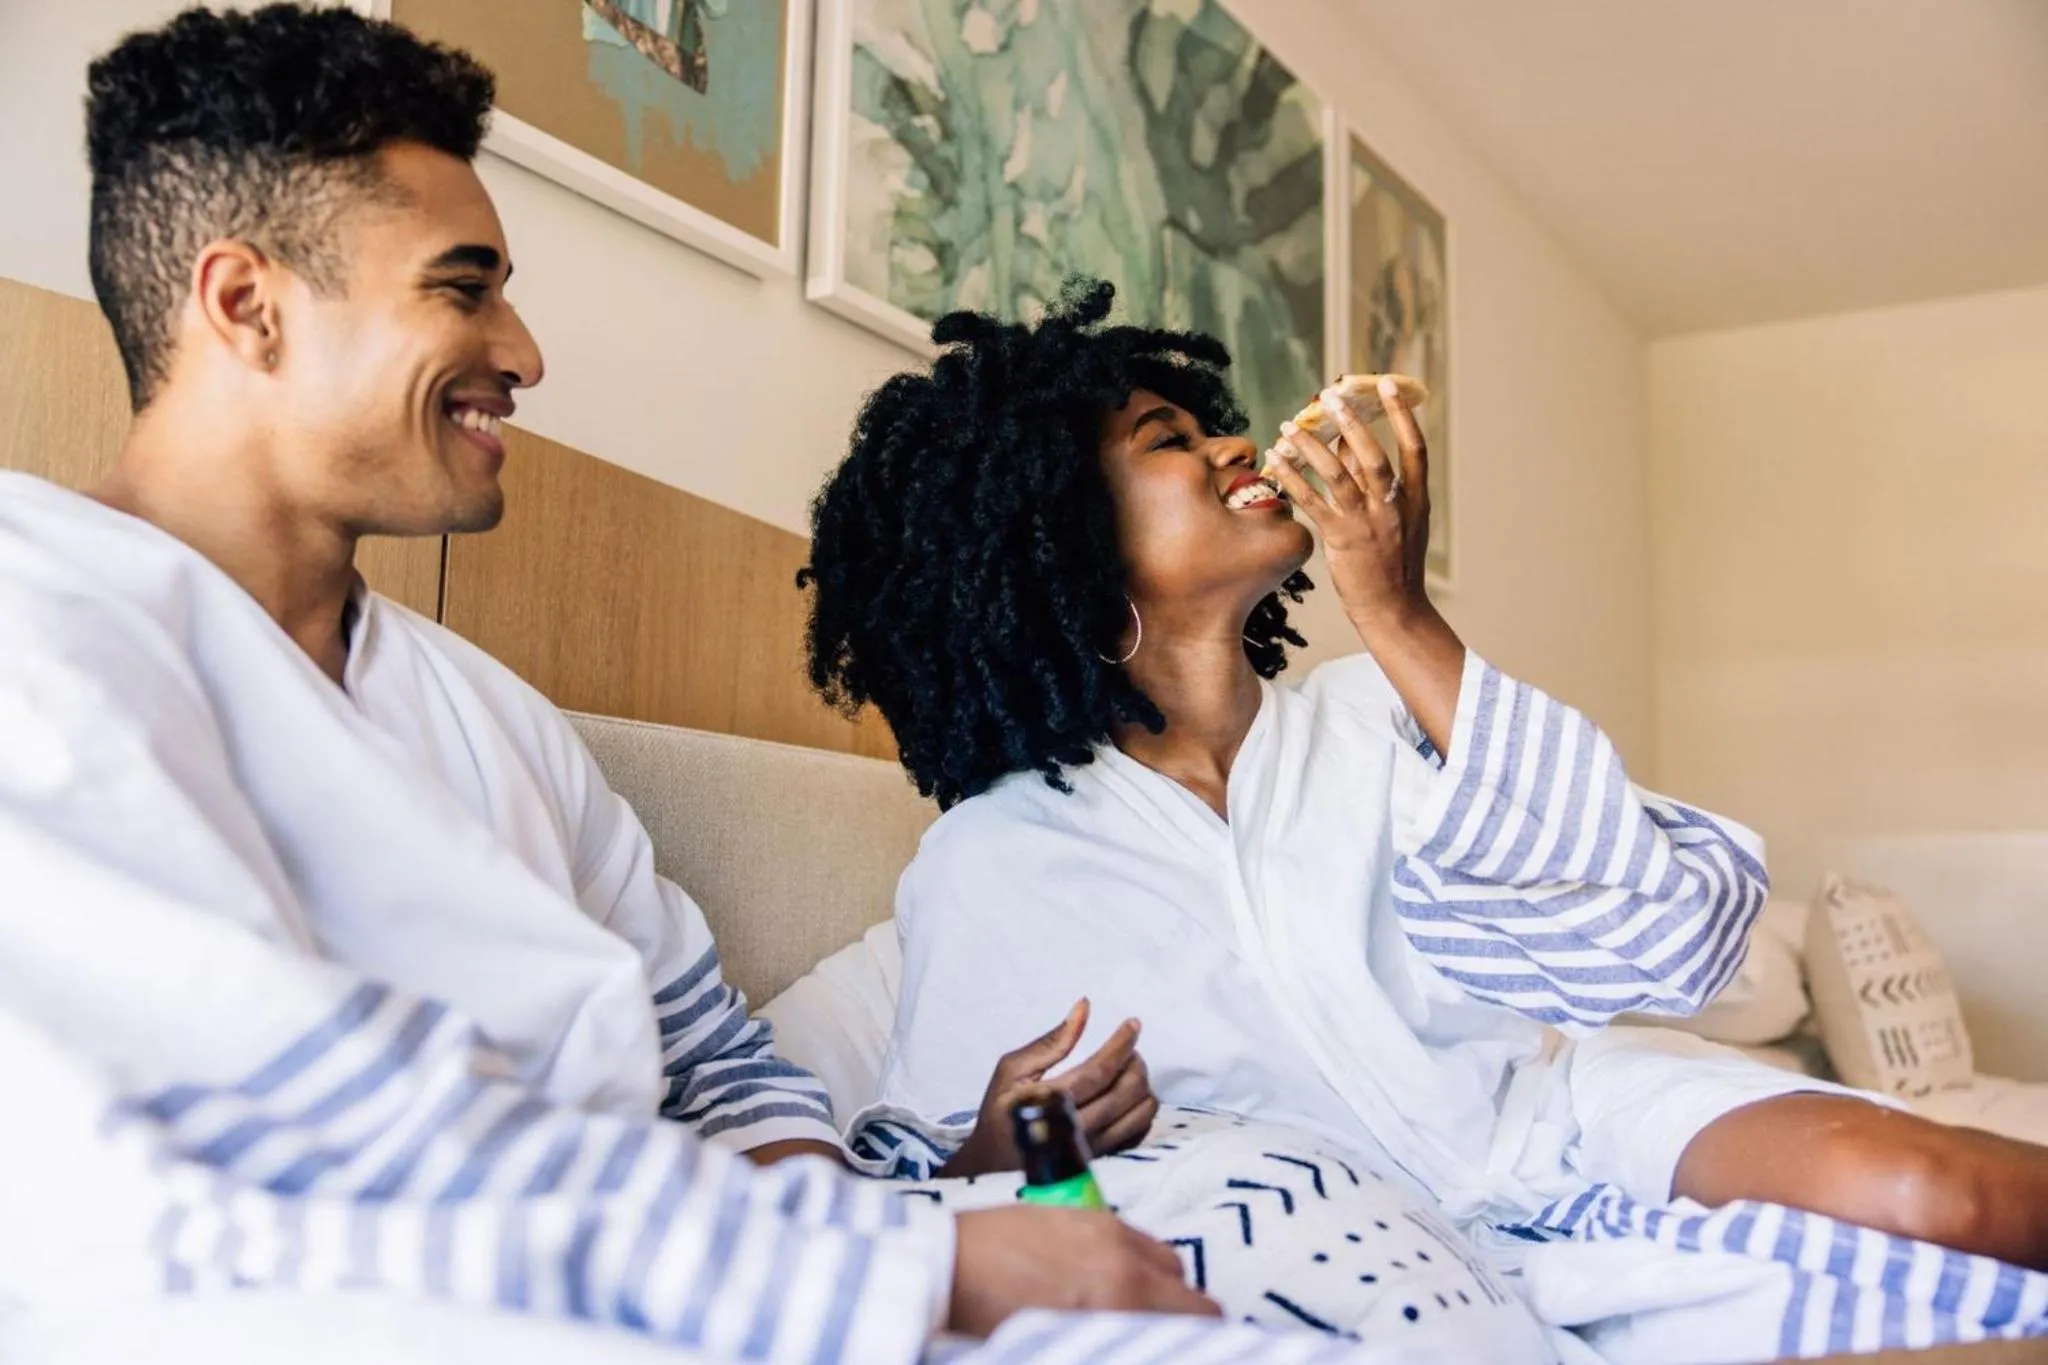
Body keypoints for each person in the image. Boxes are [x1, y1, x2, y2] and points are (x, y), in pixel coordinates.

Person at [0, 9, 1378, 1363]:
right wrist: (912, 1264)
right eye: (463, 288)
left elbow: (719, 1066)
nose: (524, 354)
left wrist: (890, 1236)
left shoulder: (493, 720)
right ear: (247, 306)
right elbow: (280, 1134)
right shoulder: (41, 622)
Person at [797, 281, 2048, 1343]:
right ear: (1059, 537)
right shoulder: (996, 854)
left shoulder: (1373, 711)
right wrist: (994, 1148)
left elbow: (1677, 940)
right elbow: (935, 1191)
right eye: (1168, 438)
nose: (1232, 447)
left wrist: (1397, 612)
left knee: (1947, 1201)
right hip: (1334, 1242)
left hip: (1559, 1123)